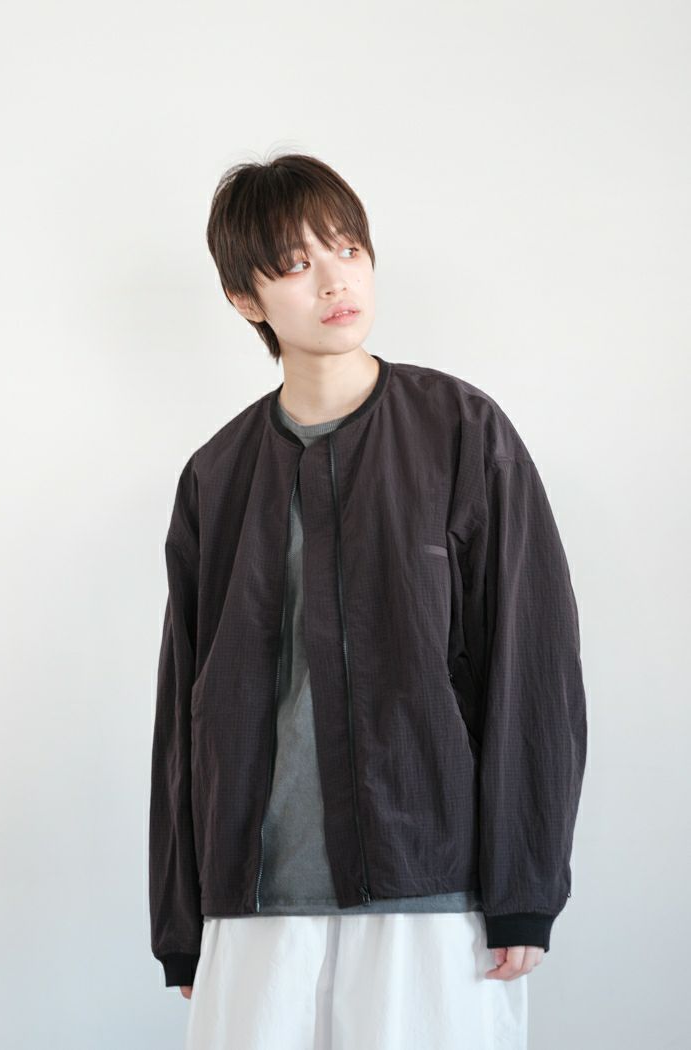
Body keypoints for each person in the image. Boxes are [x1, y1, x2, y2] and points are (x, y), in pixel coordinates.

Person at [148, 151, 588, 1050]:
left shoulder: (463, 434)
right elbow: (183, 710)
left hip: (430, 887)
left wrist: (525, 889)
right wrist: (180, 920)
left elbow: (532, 665)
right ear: (245, 299)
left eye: (347, 248)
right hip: (255, 899)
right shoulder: (216, 477)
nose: (334, 280)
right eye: (295, 263)